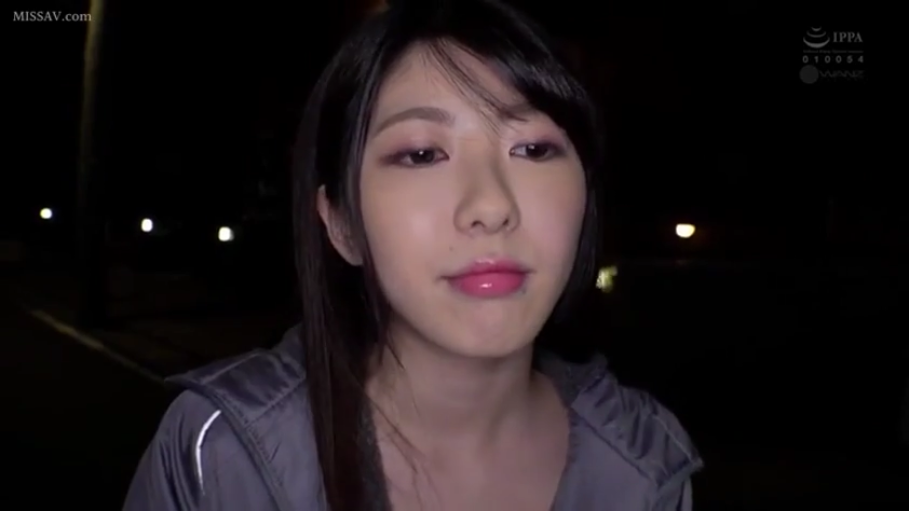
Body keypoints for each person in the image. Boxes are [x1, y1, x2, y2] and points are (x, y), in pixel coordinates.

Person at [123, 0, 702, 509]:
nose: (491, 206)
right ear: (342, 224)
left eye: (532, 148)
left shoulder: (643, 465)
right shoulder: (223, 455)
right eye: (423, 154)